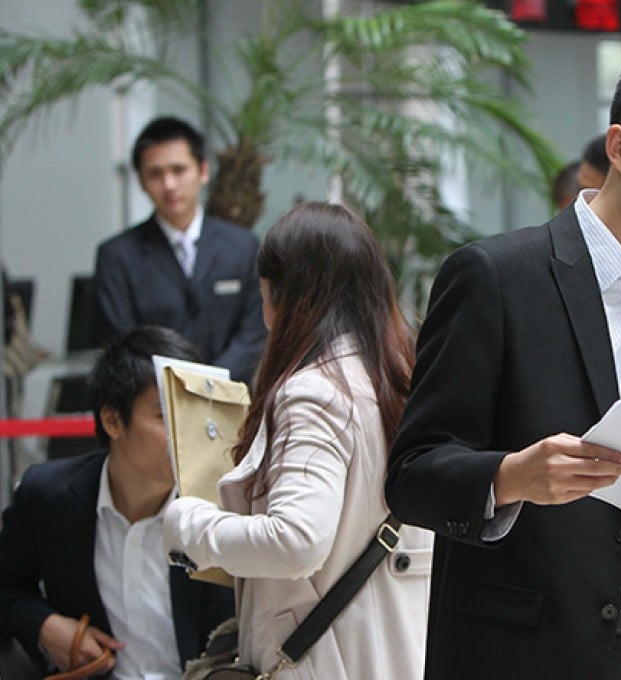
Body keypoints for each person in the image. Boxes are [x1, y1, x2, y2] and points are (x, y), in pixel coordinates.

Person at [386, 39, 621, 680]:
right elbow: (412, 475)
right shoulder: (499, 277)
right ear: (620, 147)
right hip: (529, 652)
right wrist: (511, 477)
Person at [163, 201, 433, 679]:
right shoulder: (398, 379)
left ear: (286, 297)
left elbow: (295, 541)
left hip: (324, 660)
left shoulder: (314, 391)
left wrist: (190, 524)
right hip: (392, 650)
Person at [0, 326, 234, 679]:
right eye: (164, 416)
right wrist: (46, 625)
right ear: (112, 420)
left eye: (192, 415)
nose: (186, 433)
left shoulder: (220, 508)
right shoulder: (49, 496)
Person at [94, 116, 266, 384]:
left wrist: (209, 386)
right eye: (155, 174)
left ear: (203, 171)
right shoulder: (117, 256)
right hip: (153, 405)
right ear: (141, 181)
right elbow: (122, 342)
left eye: (179, 169)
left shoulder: (243, 247)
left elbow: (254, 332)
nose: (169, 184)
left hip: (232, 402)